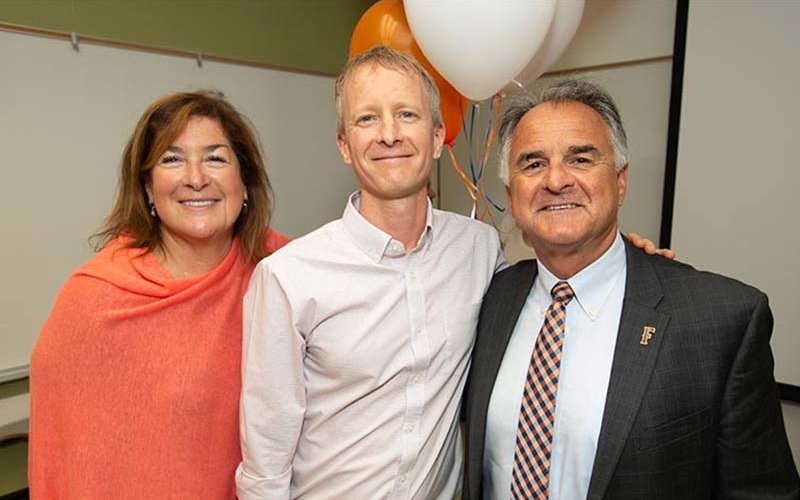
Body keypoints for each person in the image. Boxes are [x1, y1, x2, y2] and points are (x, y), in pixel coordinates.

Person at [462, 80, 799, 499]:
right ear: (513, 199)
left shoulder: (721, 320)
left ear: (620, 182)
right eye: (532, 164)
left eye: (580, 159)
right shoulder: (489, 301)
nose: (555, 180)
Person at [235, 46, 504, 499]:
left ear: (438, 137)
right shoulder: (289, 277)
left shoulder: (480, 250)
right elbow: (266, 459)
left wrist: (628, 259)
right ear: (344, 145)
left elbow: (546, 304)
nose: (389, 134)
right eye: (366, 119)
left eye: (407, 114)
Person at [29, 90, 289, 499]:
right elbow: (60, 460)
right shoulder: (94, 300)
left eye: (216, 158)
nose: (195, 177)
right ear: (148, 189)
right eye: (172, 159)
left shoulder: (289, 275)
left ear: (246, 183)